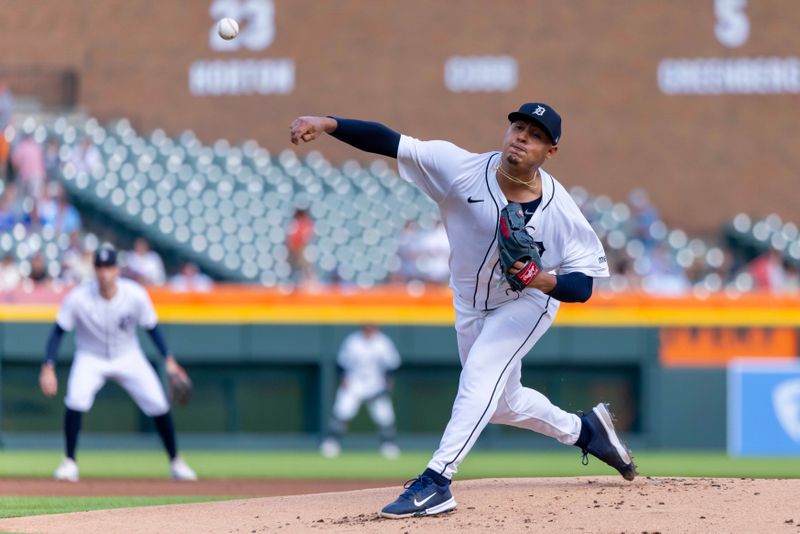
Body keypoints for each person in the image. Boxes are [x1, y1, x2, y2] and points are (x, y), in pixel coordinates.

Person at [290, 103, 636, 519]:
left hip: (526, 302)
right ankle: (585, 431)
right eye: (519, 127)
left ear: (551, 152)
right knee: (503, 404)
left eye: (536, 135)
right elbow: (390, 142)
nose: (522, 137)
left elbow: (581, 286)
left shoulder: (560, 211)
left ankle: (437, 481)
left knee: (477, 378)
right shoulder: (461, 168)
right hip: (470, 303)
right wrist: (328, 125)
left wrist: (541, 279)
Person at [38, 247, 197, 482]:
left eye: (109, 267)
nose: (104, 273)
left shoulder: (135, 294)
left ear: (117, 270)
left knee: (158, 403)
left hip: (128, 355)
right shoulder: (79, 297)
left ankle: (176, 462)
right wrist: (48, 366)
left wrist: (169, 360)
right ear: (95, 270)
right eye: (100, 268)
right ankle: (69, 462)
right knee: (76, 399)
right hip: (90, 357)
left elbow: (152, 329)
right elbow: (57, 332)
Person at [320, 324, 401, 460]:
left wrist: (388, 381)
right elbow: (342, 363)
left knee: (384, 415)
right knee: (342, 410)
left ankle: (389, 445)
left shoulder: (383, 342)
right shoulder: (353, 341)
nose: (370, 328)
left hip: (376, 383)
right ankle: (331, 443)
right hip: (354, 382)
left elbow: (392, 365)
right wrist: (344, 378)